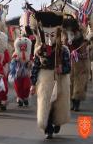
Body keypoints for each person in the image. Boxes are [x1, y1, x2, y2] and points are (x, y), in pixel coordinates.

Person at [30, 11, 71, 139]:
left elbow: (68, 67)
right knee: (45, 103)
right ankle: (48, 128)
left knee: (58, 104)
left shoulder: (63, 50)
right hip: (44, 79)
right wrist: (33, 83)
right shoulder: (40, 50)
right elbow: (35, 67)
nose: (49, 38)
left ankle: (57, 122)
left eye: (52, 34)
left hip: (60, 80)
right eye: (46, 34)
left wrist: (62, 69)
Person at [8, 37, 32, 107]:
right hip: (17, 73)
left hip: (26, 72)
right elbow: (12, 63)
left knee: (26, 85)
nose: (23, 47)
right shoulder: (15, 54)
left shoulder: (28, 54)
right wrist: (15, 60)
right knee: (18, 86)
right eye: (21, 46)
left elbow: (31, 63)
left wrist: (30, 63)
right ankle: (20, 98)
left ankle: (25, 97)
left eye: (24, 46)